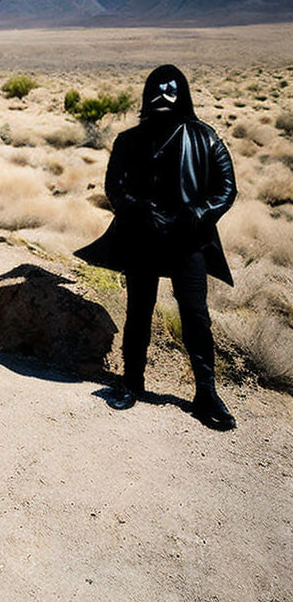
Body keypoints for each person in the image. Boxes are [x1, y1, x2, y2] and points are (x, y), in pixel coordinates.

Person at [77, 64, 237, 429]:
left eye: (171, 89)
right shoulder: (129, 140)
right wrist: (139, 210)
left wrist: (194, 214)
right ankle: (132, 381)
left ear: (183, 94)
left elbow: (226, 188)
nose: (164, 96)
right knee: (139, 312)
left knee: (196, 316)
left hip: (188, 241)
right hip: (142, 239)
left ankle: (206, 392)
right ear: (146, 96)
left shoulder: (204, 137)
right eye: (157, 89)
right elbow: (115, 187)